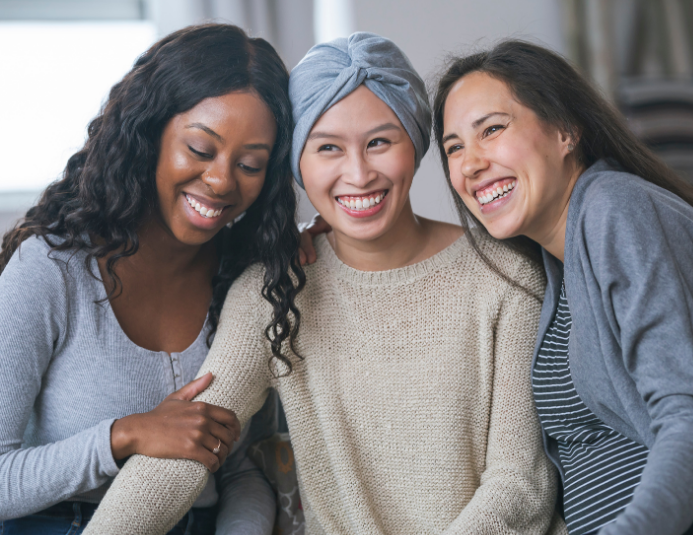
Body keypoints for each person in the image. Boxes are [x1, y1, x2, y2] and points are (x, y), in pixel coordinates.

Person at [82, 32, 567, 535]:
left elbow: (519, 486)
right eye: (328, 147)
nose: (358, 174)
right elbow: (187, 449)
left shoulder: (504, 274)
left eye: (380, 142)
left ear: (417, 143)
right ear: (298, 164)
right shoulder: (273, 291)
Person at [0, 23, 305, 535]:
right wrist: (125, 435)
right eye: (201, 150)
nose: (222, 180)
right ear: (150, 133)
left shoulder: (249, 281)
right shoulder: (52, 270)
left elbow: (241, 466)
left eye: (249, 164)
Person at [433, 40, 693, 535]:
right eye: (454, 148)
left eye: (491, 130)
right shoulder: (556, 263)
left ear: (565, 131)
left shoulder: (614, 210)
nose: (470, 164)